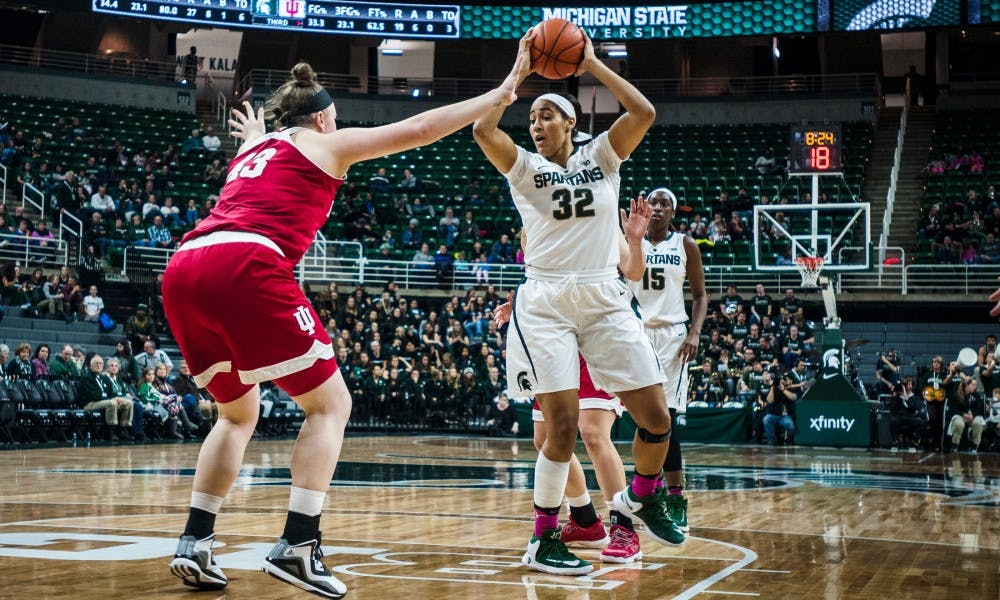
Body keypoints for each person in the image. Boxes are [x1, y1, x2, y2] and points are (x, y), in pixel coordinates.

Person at [163, 48, 529, 597]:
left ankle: (195, 540)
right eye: (332, 117)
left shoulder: (257, 150)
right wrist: (499, 95)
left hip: (185, 268)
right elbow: (422, 127)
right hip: (246, 262)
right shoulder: (325, 142)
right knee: (331, 405)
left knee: (237, 413)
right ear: (321, 118)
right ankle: (298, 545)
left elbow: (263, 150)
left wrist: (256, 132)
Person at [473, 29, 681, 577]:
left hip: (604, 297)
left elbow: (644, 111)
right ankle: (546, 537)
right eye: (532, 118)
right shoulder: (524, 168)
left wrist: (591, 62)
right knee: (560, 428)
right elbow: (482, 128)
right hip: (545, 301)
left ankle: (643, 495)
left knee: (655, 416)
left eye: (546, 115)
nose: (536, 125)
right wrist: (518, 75)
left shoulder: (603, 156)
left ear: (571, 121)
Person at [627, 187, 708, 537]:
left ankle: (676, 497)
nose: (658, 208)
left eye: (665, 204)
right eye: (653, 202)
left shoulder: (685, 245)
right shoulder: (630, 240)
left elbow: (701, 295)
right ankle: (650, 490)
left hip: (673, 337)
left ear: (674, 212)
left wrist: (695, 333)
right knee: (640, 417)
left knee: (667, 417)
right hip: (634, 333)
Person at [77, 354, 133, 441]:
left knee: (128, 403)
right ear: (91, 365)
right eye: (96, 363)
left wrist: (117, 399)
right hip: (90, 404)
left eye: (100, 363)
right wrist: (112, 399)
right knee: (112, 403)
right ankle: (110, 430)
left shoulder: (102, 377)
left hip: (102, 402)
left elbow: (109, 393)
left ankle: (123, 429)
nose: (98, 365)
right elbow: (94, 395)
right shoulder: (86, 378)